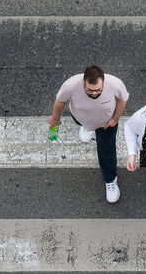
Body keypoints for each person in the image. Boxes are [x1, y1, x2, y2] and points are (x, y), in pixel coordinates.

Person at [48, 65, 129, 204]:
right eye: (89, 90)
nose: (94, 93)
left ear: (103, 81)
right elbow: (60, 101)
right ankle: (87, 127)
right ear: (83, 82)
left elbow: (122, 100)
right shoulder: (71, 85)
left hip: (106, 124)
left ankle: (110, 179)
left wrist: (115, 119)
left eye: (98, 90)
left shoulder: (115, 84)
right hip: (81, 118)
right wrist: (55, 119)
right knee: (82, 123)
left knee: (106, 151)